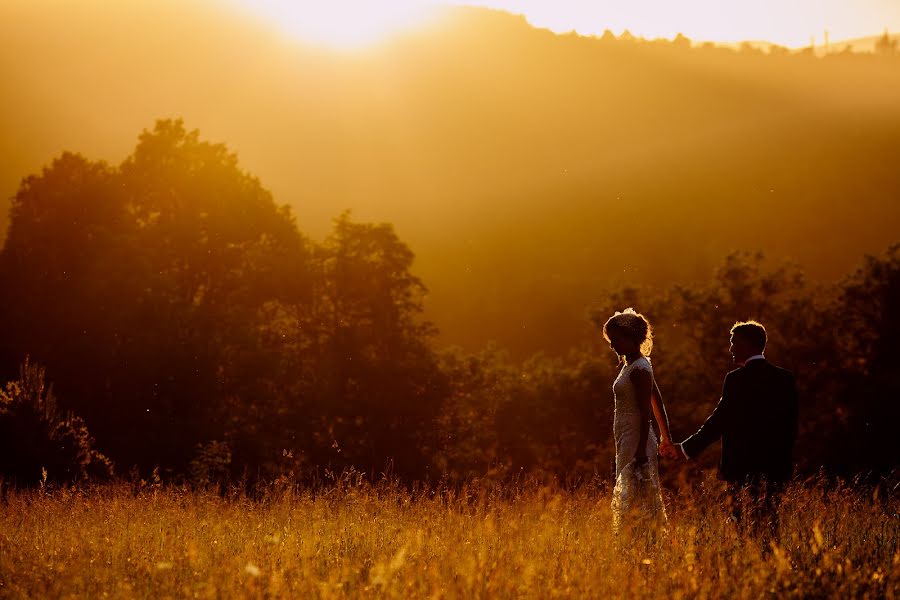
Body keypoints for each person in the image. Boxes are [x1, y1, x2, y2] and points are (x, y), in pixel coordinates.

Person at [663, 320, 799, 547]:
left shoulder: (736, 379)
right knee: (770, 526)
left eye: (734, 342)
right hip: (776, 467)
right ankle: (773, 569)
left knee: (742, 526)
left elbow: (719, 422)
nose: (730, 348)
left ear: (748, 344)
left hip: (741, 467)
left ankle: (749, 570)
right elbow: (791, 426)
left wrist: (685, 448)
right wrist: (783, 459)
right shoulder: (785, 379)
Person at [603, 308, 672, 539]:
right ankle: (634, 542)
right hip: (626, 437)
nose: (612, 346)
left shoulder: (640, 369)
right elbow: (658, 400)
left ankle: (640, 542)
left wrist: (644, 447)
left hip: (636, 439)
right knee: (631, 493)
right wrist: (665, 437)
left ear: (631, 338)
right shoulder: (631, 365)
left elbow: (647, 410)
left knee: (637, 494)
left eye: (616, 340)